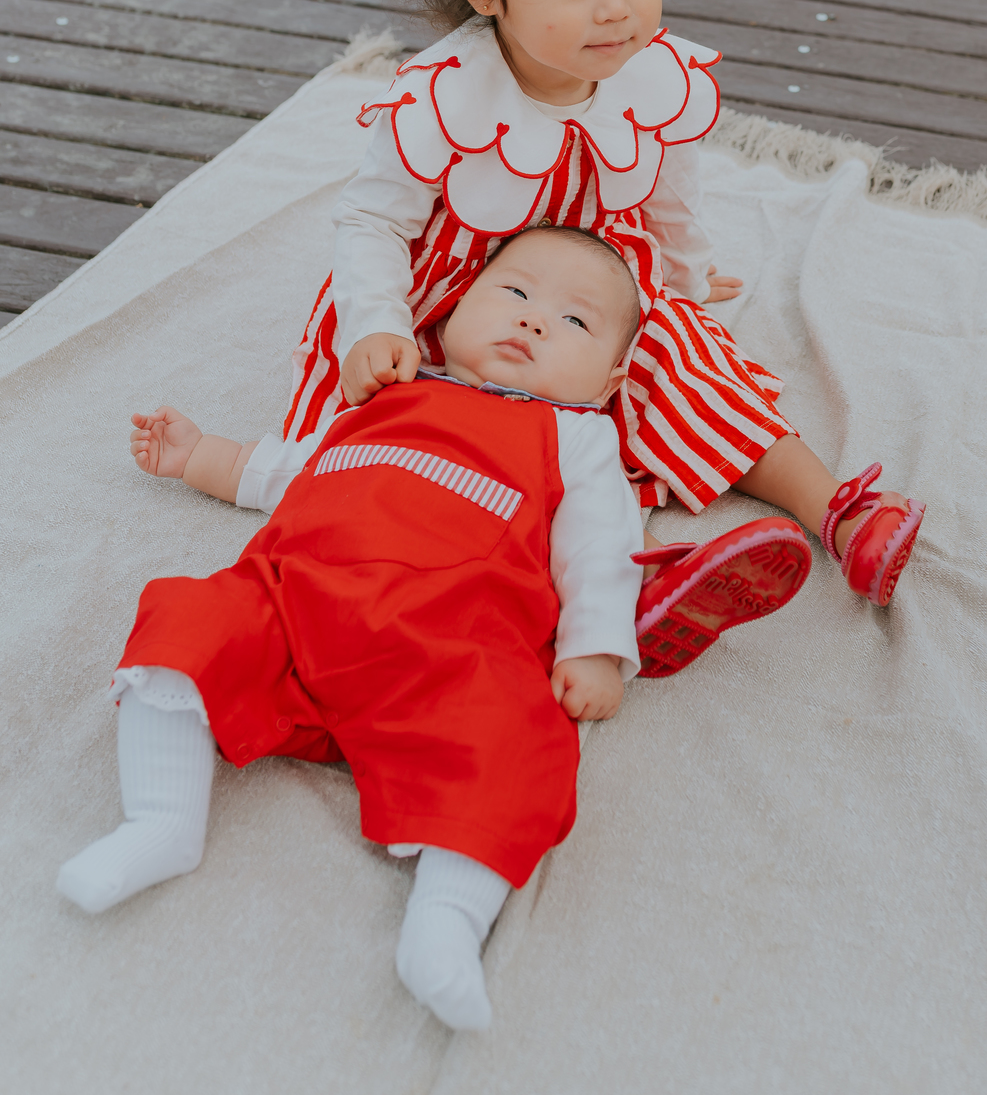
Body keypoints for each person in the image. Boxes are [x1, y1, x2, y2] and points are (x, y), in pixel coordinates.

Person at [56, 225, 812, 1032]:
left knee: (519, 737)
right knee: (187, 619)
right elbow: (285, 469)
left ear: (611, 380)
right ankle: (161, 820)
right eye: (514, 294)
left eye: (574, 323)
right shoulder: (392, 394)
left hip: (451, 647)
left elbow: (596, 545)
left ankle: (446, 921)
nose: (531, 323)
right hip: (296, 602)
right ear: (449, 316)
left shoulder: (579, 436)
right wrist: (199, 454)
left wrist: (596, 651)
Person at [286, 0, 924, 644]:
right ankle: (559, 586)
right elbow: (372, 220)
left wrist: (686, 287)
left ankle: (838, 513)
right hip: (461, 287)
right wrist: (375, 321)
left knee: (685, 371)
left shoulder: (650, 78)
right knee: (408, 433)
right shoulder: (442, 99)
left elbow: (668, 197)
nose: (618, 6)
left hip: (592, 280)